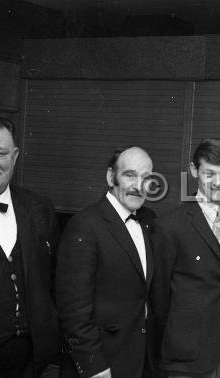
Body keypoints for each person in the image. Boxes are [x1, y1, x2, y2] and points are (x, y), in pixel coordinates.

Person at [153, 138, 220, 378]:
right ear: (193, 170)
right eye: (209, 174)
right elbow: (160, 298)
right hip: (187, 354)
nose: (218, 183)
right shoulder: (170, 226)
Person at [0, 114, 60, 377]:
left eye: (1, 153)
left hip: (32, 362)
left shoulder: (40, 207)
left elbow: (54, 281)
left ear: (15, 156)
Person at [56, 146, 157, 378]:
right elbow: (73, 312)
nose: (138, 185)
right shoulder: (85, 225)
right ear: (111, 177)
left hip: (138, 362)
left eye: (146, 178)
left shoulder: (149, 221)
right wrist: (95, 367)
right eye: (130, 175)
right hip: (101, 367)